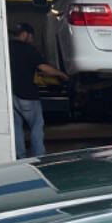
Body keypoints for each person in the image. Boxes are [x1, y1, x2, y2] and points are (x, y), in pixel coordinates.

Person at [7, 22, 67, 158]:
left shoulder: (7, 47)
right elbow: (43, 68)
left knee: (16, 127)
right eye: (31, 36)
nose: (32, 40)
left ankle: (19, 156)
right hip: (27, 95)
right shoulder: (29, 49)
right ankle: (38, 155)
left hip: (12, 95)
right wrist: (61, 74)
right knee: (36, 126)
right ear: (26, 34)